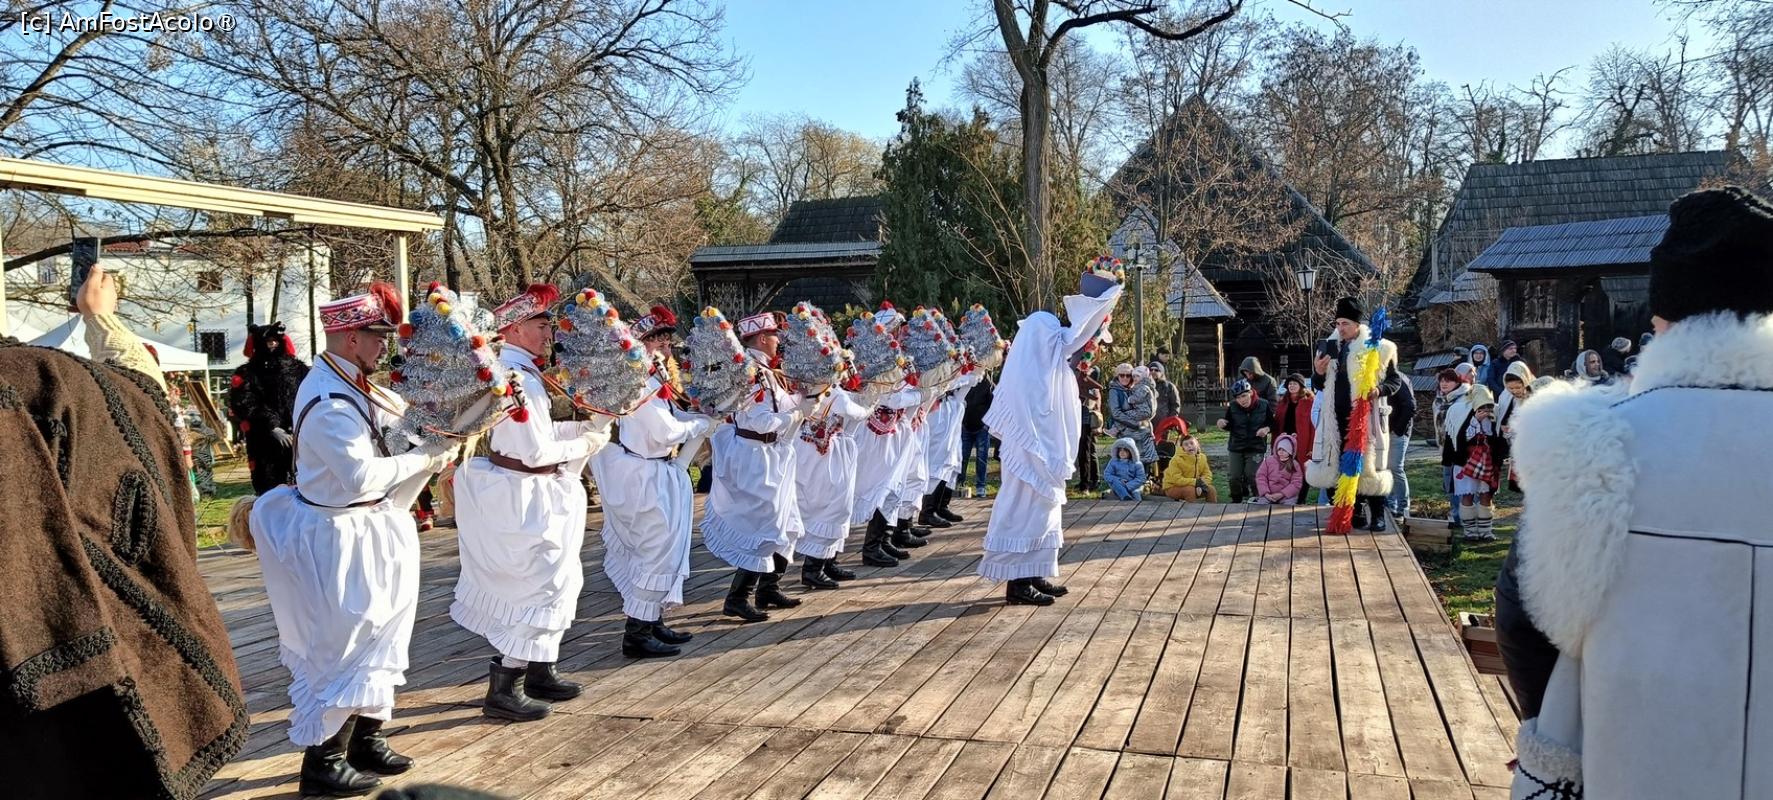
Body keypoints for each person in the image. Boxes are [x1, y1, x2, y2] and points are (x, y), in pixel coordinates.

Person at [1499, 186, 1773, 799]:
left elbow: (1526, 618)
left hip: (1628, 764)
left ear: (1661, 319)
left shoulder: (1593, 440)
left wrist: (1554, 730)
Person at [0, 273, 247, 800]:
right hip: (63, 689)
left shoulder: (35, 379)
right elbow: (140, 400)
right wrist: (102, 319)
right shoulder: (34, 378)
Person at [246, 284, 454, 797]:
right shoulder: (327, 398)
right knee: (346, 641)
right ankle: (323, 758)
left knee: (385, 634)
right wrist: (423, 458)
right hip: (341, 534)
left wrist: (440, 433)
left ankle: (366, 738)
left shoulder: (355, 384)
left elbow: (397, 432)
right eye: (376, 336)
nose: (384, 346)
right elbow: (358, 476)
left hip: (373, 526)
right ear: (350, 338)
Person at [451, 285, 612, 720]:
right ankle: (505, 685)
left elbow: (539, 434)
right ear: (516, 329)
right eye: (541, 325)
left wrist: (579, 432)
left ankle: (539, 667)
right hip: (525, 494)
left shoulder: (524, 372)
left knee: (559, 580)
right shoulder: (516, 377)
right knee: (538, 585)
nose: (548, 333)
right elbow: (534, 450)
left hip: (535, 489)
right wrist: (586, 443)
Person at [979, 267, 1120, 606]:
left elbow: (1074, 341)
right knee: (1026, 508)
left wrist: (1102, 312)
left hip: (1043, 447)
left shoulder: (1049, 366)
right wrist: (1104, 299)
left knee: (1045, 509)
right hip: (1029, 448)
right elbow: (1070, 340)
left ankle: (1035, 571)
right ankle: (1017, 583)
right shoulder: (1034, 360)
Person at [593, 304, 715, 656]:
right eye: (656, 341)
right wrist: (700, 423)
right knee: (654, 549)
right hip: (643, 474)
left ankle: (651, 620)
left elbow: (673, 418)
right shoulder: (638, 383)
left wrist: (701, 415)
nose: (665, 347)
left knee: (663, 549)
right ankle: (636, 632)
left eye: (666, 341)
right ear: (640, 345)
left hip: (656, 470)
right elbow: (665, 432)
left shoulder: (653, 380)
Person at [704, 311, 810, 623]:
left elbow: (781, 404)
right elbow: (761, 421)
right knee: (764, 525)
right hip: (756, 455)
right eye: (775, 335)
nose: (779, 340)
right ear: (762, 338)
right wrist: (797, 414)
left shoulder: (766, 370)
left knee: (785, 520)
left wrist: (807, 398)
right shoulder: (750, 372)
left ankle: (768, 587)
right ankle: (738, 597)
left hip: (771, 453)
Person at [1306, 297, 1404, 532]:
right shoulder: (1329, 346)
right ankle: (1353, 511)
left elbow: (1395, 381)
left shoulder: (1379, 347)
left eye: (1345, 324)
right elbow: (1318, 385)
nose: (1340, 328)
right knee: (1339, 466)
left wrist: (1378, 390)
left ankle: (1378, 515)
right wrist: (1318, 372)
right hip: (1335, 420)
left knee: (1370, 467)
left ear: (1358, 324)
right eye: (1338, 323)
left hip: (1365, 419)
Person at [228, 321, 311, 493]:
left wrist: (300, 426)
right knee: (270, 488)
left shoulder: (298, 370)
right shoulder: (247, 373)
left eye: (275, 340)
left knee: (306, 487)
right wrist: (271, 426)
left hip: (300, 437)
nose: (272, 344)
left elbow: (310, 397)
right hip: (264, 441)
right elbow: (244, 403)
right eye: (268, 341)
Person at [1442, 385, 1501, 541]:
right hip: (1465, 462)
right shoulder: (1460, 413)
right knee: (1467, 495)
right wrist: (1476, 421)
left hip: (1487, 462)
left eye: (1488, 406)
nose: (1486, 409)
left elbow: (1497, 438)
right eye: (1482, 406)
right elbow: (1458, 439)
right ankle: (1470, 531)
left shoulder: (1495, 415)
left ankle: (1485, 531)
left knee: (1486, 494)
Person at [1217, 378, 1272, 503]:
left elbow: (1272, 423)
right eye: (1238, 398)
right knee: (1234, 477)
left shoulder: (1264, 405)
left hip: (1256, 447)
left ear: (1251, 393)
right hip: (1236, 446)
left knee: (1253, 475)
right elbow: (1229, 424)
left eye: (1244, 396)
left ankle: (1259, 498)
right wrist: (1222, 423)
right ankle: (1236, 500)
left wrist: (1266, 429)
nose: (1242, 400)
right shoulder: (1233, 407)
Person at [1431, 368, 1469, 528]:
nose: (1444, 384)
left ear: (1457, 382)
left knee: (1462, 483)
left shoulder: (1465, 398)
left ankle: (1466, 515)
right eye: (1442, 380)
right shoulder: (1438, 401)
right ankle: (1455, 514)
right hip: (1445, 448)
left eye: (1448, 381)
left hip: (1461, 448)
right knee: (1449, 482)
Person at [1109, 365, 1159, 481]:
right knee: (1130, 456)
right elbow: (1116, 413)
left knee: (1145, 455)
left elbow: (1148, 406)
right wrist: (1134, 424)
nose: (1125, 378)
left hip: (1142, 429)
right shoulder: (1115, 391)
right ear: (1117, 376)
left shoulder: (1136, 388)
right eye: (1122, 375)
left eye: (1128, 375)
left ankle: (1146, 480)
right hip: (1128, 429)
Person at [1273, 373, 1315, 503]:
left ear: (1301, 386)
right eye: (1289, 384)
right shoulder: (1283, 402)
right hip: (1285, 442)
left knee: (1302, 470)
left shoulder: (1309, 402)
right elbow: (1277, 423)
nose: (1291, 386)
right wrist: (1275, 442)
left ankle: (1301, 500)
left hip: (1302, 443)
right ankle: (1287, 498)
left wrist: (1311, 447)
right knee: (1285, 470)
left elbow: (1313, 426)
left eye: (1294, 384)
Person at [958, 369, 995, 498]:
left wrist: (987, 424)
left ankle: (981, 487)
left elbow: (993, 405)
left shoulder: (987, 383)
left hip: (982, 427)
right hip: (966, 425)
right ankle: (959, 484)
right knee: (962, 457)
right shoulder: (965, 380)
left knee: (981, 458)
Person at [1384, 377, 1416, 517]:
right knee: (1385, 468)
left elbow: (1410, 406)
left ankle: (1403, 507)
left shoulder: (1398, 379)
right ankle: (1391, 505)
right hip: (1384, 431)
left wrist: (1398, 429)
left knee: (1395, 467)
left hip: (1397, 431)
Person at [1073, 353, 1103, 494]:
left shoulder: (1091, 369)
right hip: (1075, 412)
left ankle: (1088, 482)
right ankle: (1086, 480)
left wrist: (1085, 370)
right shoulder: (1073, 366)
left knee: (1086, 448)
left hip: (1086, 413)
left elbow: (1094, 378)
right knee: (1084, 449)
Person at [1161, 434, 1217, 502]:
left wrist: (1201, 484)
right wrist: (1195, 483)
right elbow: (1177, 480)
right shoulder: (1176, 460)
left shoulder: (1202, 457)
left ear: (1197, 445)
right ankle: (1191, 508)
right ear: (1182, 448)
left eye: (1192, 443)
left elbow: (1207, 474)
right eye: (1186, 445)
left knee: (1211, 489)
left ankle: (1211, 508)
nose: (1190, 446)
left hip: (1195, 485)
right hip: (1172, 486)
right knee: (1190, 490)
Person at [1252, 433, 1303, 505]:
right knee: (1261, 505)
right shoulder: (1268, 461)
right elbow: (1261, 477)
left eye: (1284, 450)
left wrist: (1282, 494)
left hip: (1286, 496)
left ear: (1290, 451)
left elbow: (1296, 483)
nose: (1281, 452)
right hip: (1268, 494)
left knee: (1289, 506)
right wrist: (1266, 493)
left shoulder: (1294, 464)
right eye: (1279, 449)